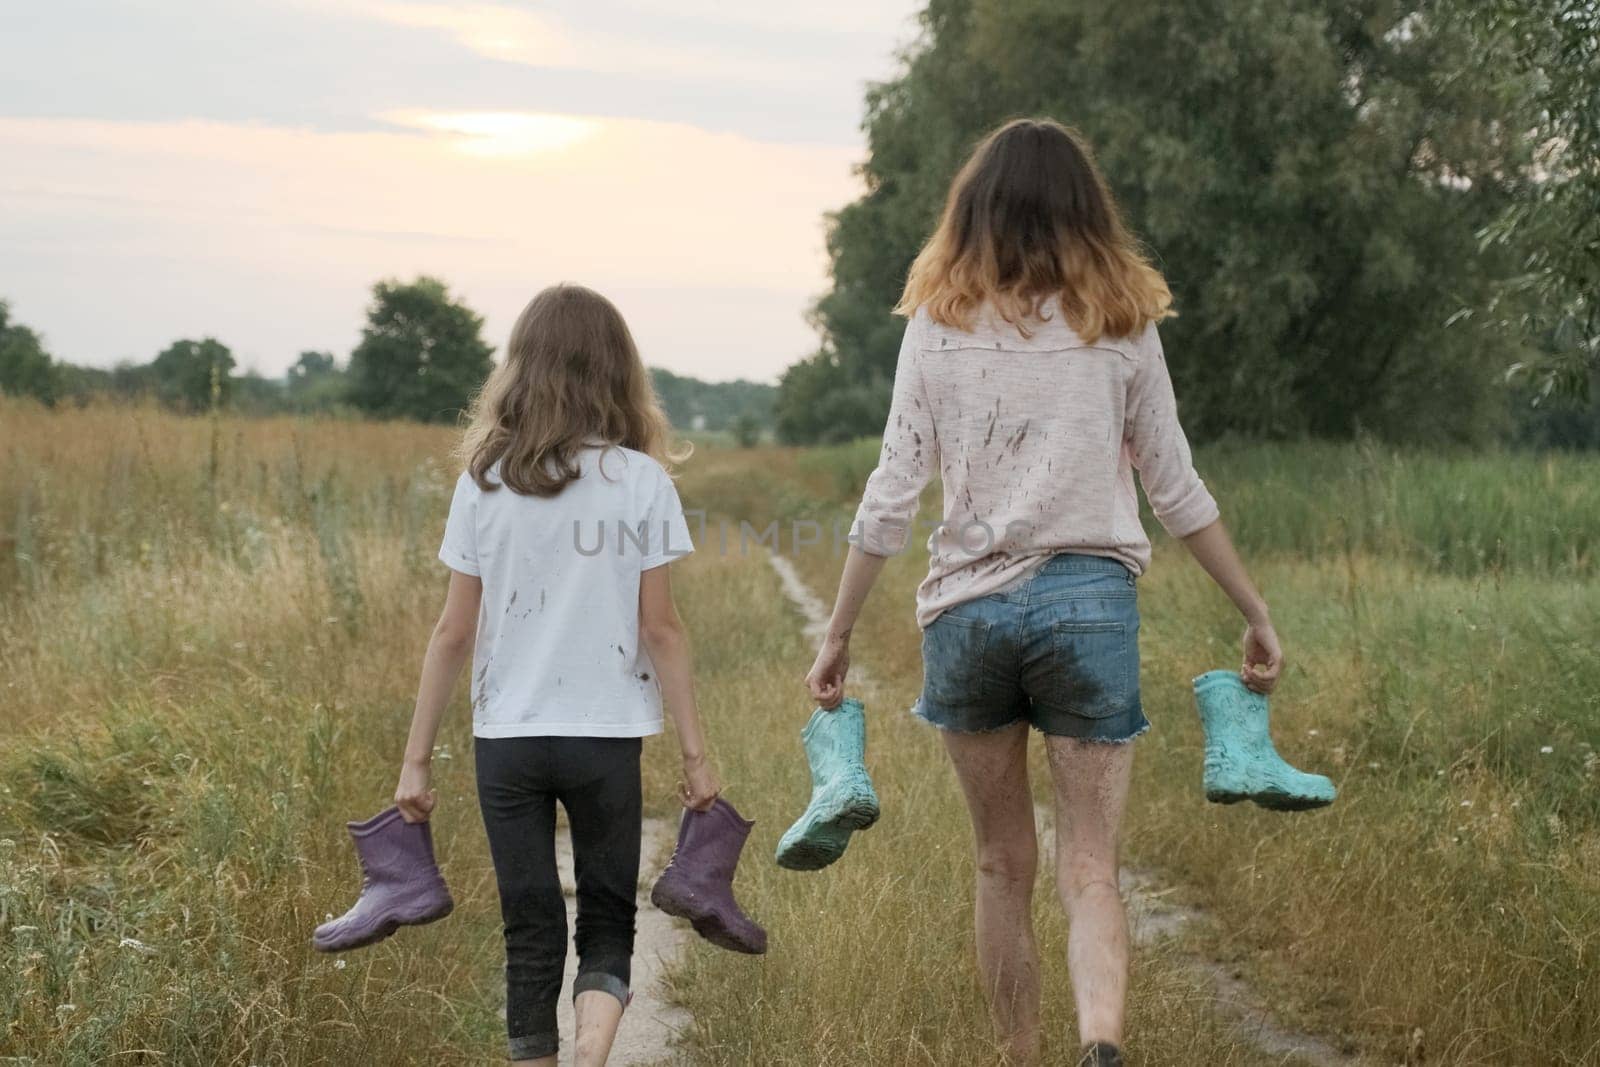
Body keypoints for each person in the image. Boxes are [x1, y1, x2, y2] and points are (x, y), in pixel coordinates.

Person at [804, 118, 1284, 1067]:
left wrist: (839, 630)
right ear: (1086, 211)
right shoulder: (1122, 325)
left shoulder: (936, 329)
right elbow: (1175, 486)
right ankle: (1098, 1040)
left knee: (1000, 863)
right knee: (1092, 866)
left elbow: (891, 491)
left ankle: (1021, 1054)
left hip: (967, 619)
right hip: (1090, 607)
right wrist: (1254, 610)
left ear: (972, 212)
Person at [392, 284, 720, 1066]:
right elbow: (661, 628)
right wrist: (696, 752)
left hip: (508, 739)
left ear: (522, 368)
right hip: (605, 737)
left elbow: (452, 631)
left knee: (529, 926)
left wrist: (414, 760)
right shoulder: (641, 481)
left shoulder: (483, 481)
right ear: (617, 372)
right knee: (608, 916)